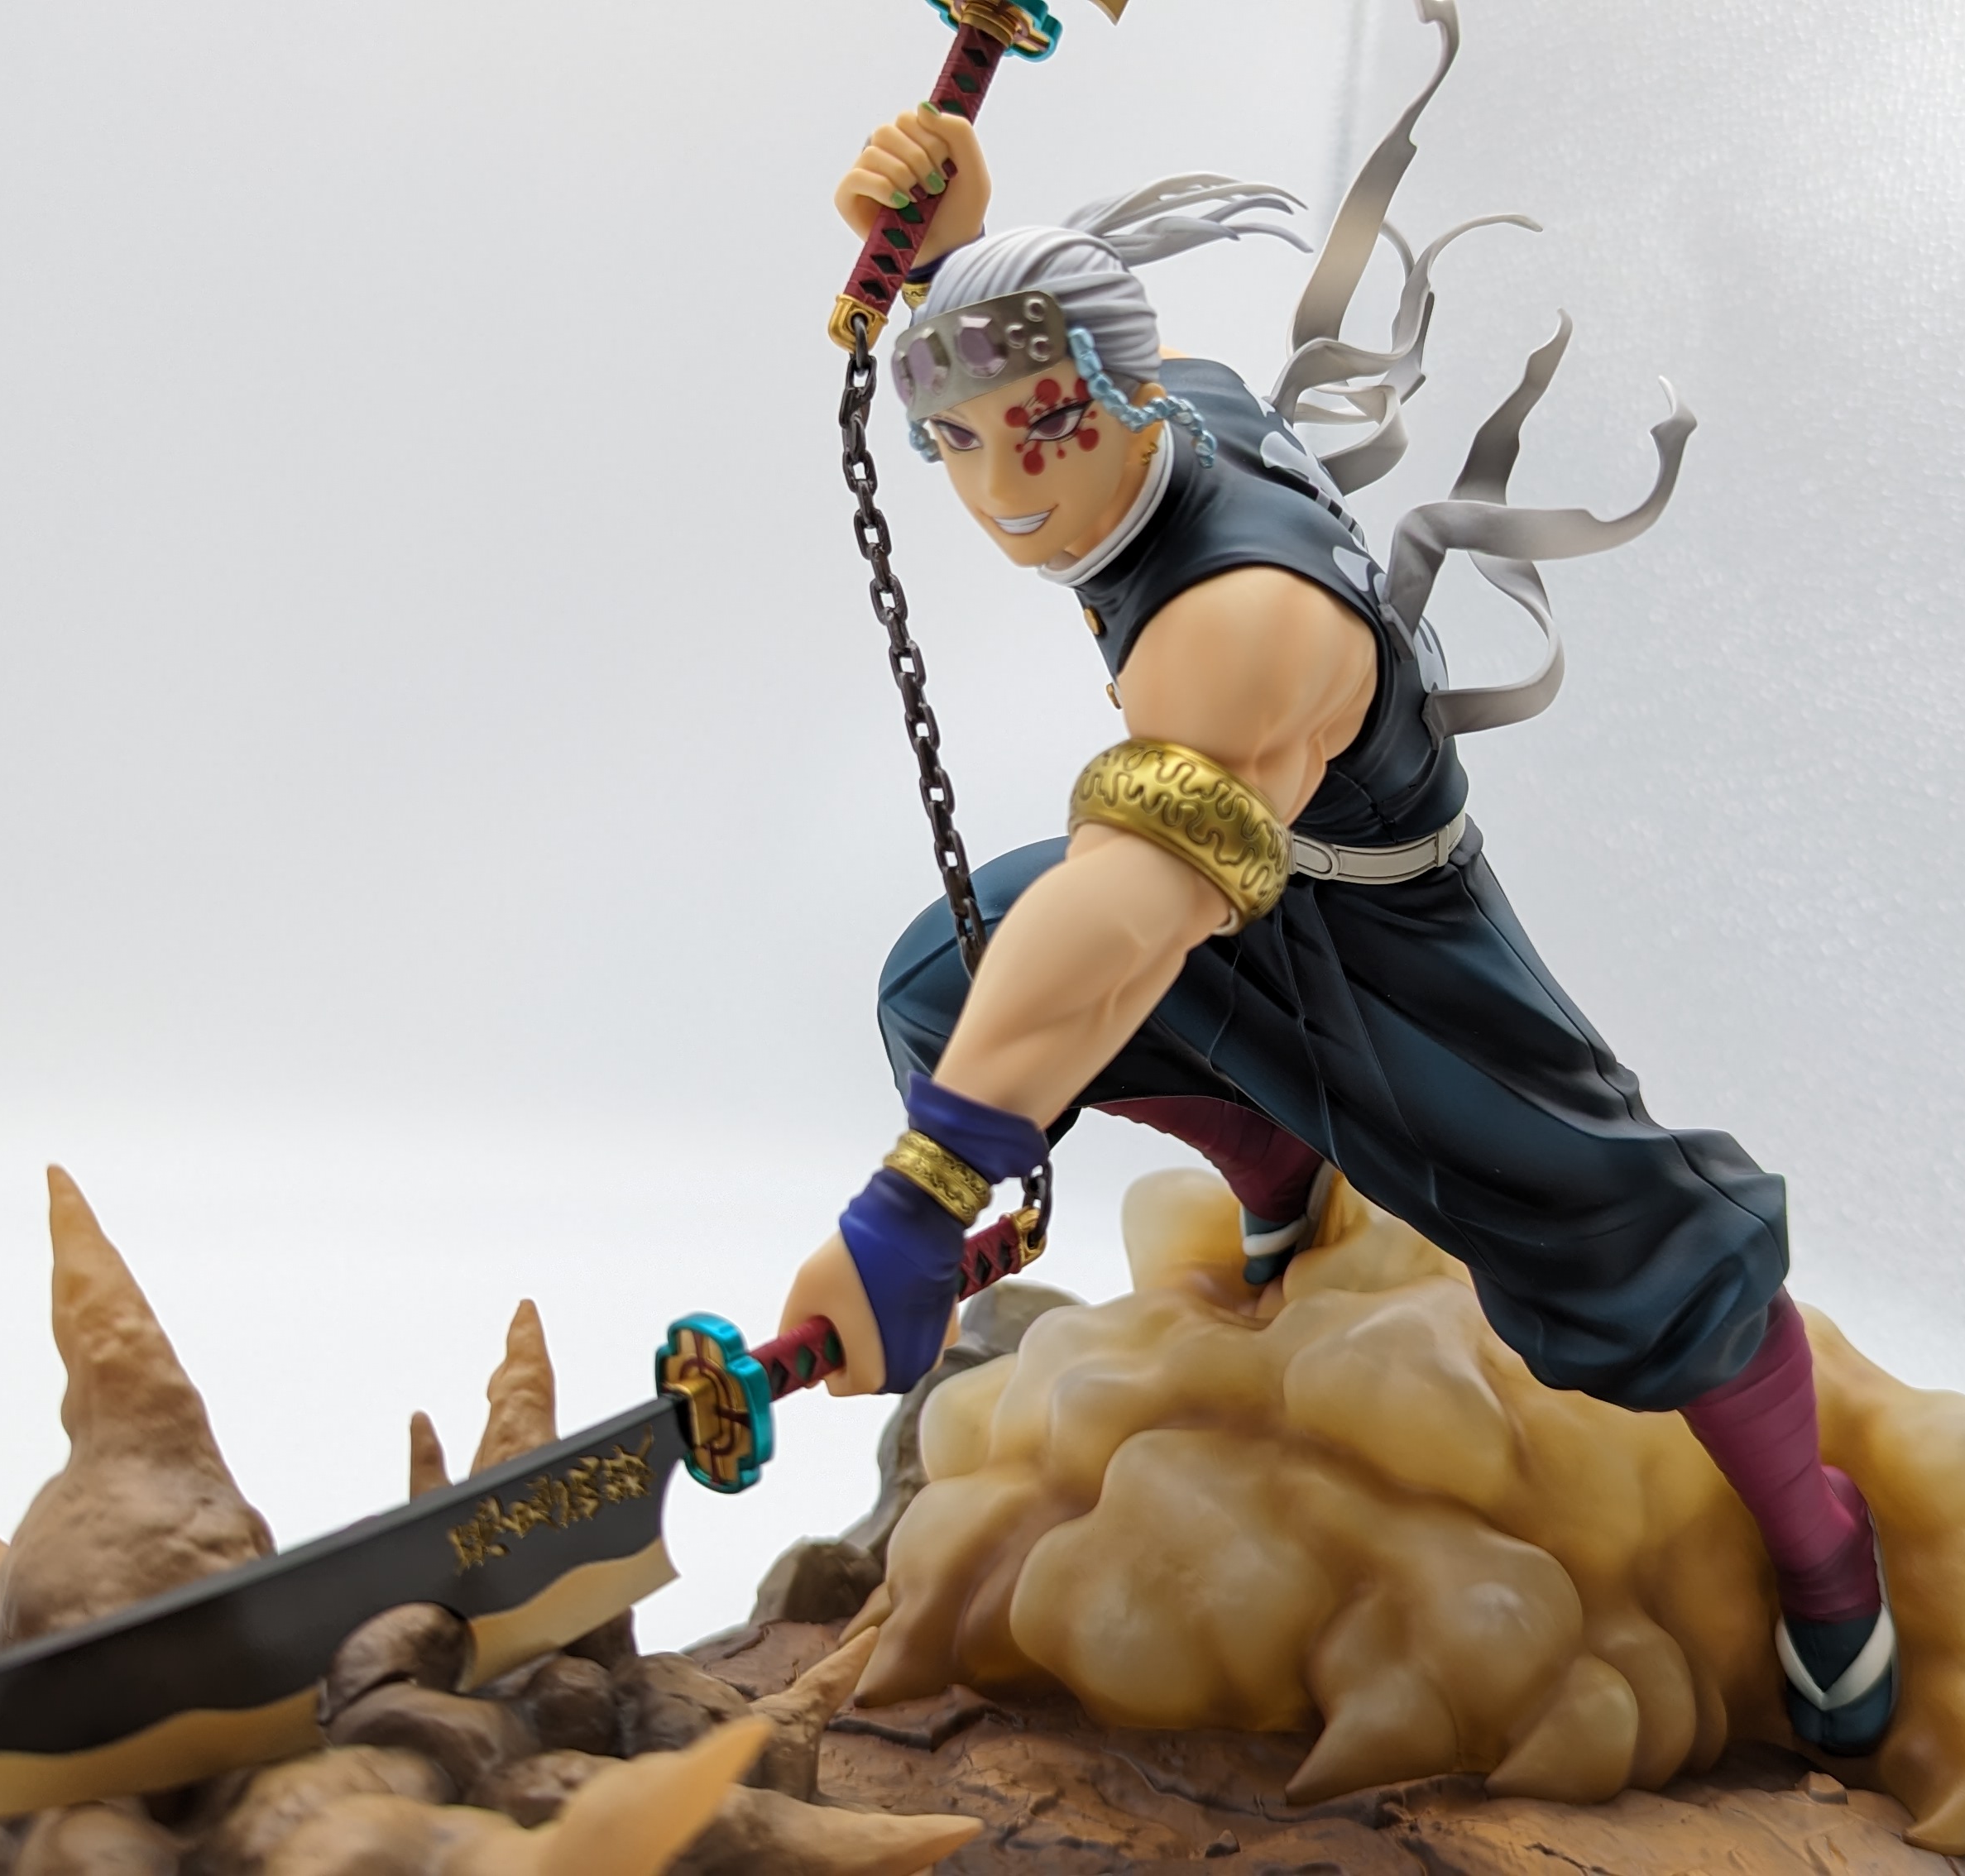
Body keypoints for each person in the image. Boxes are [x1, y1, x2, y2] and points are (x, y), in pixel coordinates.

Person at [773, 9, 1899, 1756]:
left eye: (1039, 428)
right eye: (961, 444)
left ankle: (1822, 1541)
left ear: (1120, 398)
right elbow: (1056, 327)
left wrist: (922, 1198)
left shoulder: (1238, 622)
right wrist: (957, 238)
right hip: (1229, 873)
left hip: (1391, 929)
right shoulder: (1178, 405)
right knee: (944, 981)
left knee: (1632, 1245)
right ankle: (1282, 1176)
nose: (1004, 490)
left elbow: (1122, 917)